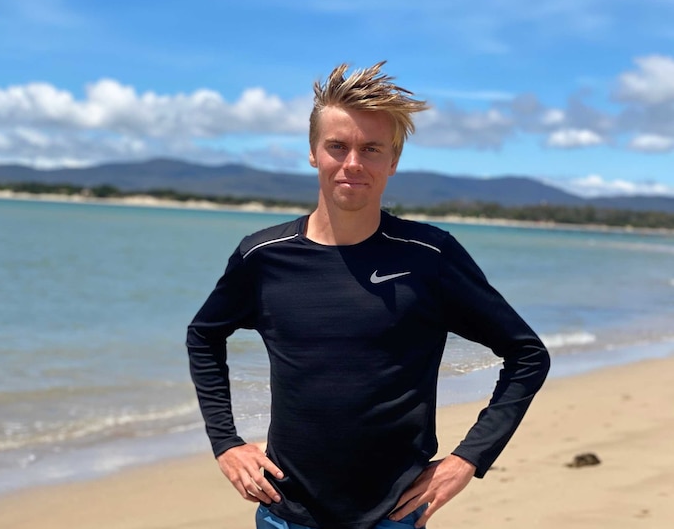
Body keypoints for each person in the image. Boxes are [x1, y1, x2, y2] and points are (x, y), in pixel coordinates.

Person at [186, 61, 550, 529]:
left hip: (393, 514)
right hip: (286, 512)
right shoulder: (263, 256)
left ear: (393, 161)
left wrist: (469, 459)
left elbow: (527, 354)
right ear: (314, 153)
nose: (352, 163)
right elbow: (204, 337)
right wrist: (226, 442)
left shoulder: (430, 255)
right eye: (337, 146)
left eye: (371, 149)